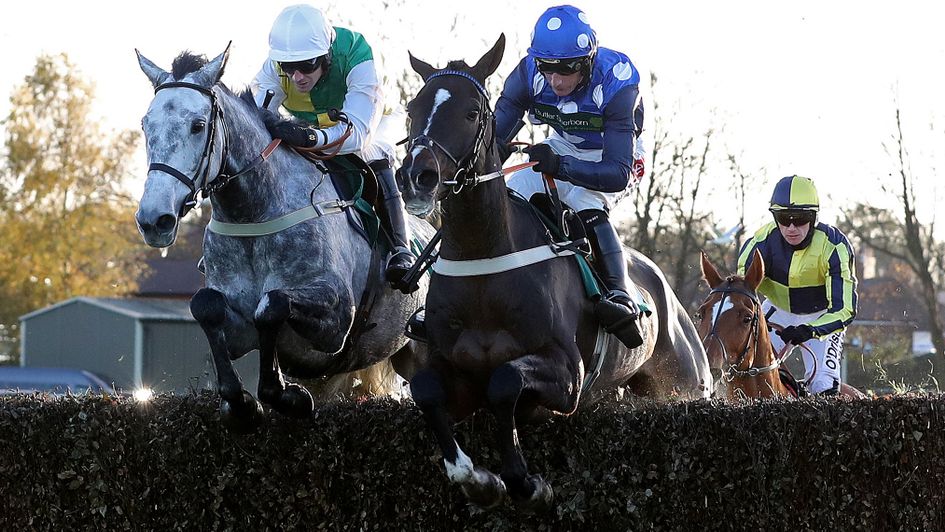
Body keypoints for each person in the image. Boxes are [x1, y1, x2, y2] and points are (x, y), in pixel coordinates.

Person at [494, 5, 647, 349]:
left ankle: (621, 296)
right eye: (547, 69)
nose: (556, 80)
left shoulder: (617, 80)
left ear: (588, 61)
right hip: (561, 145)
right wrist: (491, 152)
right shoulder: (527, 73)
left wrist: (561, 167)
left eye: (566, 70)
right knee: (509, 193)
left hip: (616, 155)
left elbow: (617, 174)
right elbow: (495, 134)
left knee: (584, 202)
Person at [252, 4, 415, 290]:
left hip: (372, 122)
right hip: (312, 125)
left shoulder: (355, 52)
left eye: (307, 66)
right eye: (289, 68)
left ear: (326, 55)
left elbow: (357, 134)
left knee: (372, 153)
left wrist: (310, 139)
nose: (297, 77)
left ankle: (400, 249)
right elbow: (255, 121)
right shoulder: (275, 66)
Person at [737, 175, 858, 395]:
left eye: (800, 218)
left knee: (823, 386)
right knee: (740, 364)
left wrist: (810, 330)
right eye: (784, 218)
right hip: (776, 311)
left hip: (822, 318)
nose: (791, 227)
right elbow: (739, 296)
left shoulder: (835, 246)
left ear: (814, 217)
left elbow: (844, 309)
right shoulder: (758, 244)